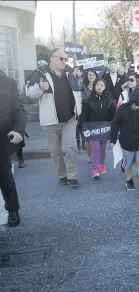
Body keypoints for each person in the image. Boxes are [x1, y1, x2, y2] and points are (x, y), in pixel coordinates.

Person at [27, 48, 81, 188]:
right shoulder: (40, 73)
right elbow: (29, 93)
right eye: (61, 59)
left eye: (66, 59)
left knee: (71, 148)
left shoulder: (70, 72)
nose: (64, 61)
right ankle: (62, 174)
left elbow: (79, 90)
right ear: (52, 58)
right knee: (55, 152)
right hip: (50, 121)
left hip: (70, 118)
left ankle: (72, 175)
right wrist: (40, 87)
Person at [110, 88, 139, 196]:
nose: (137, 107)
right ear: (131, 101)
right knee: (127, 163)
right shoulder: (122, 109)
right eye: (135, 105)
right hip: (126, 141)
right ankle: (129, 180)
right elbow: (115, 124)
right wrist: (113, 139)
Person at [0, 72, 26, 226]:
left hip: (2, 136)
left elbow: (18, 109)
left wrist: (19, 129)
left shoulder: (8, 82)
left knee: (4, 175)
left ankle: (12, 209)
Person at [81, 78, 116, 179]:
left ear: (105, 87)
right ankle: (95, 169)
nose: (99, 87)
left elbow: (114, 114)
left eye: (101, 85)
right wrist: (84, 128)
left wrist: (115, 127)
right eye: (97, 85)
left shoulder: (109, 99)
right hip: (92, 128)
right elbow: (84, 115)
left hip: (105, 128)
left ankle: (102, 165)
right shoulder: (87, 100)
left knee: (102, 148)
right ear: (94, 86)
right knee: (95, 147)